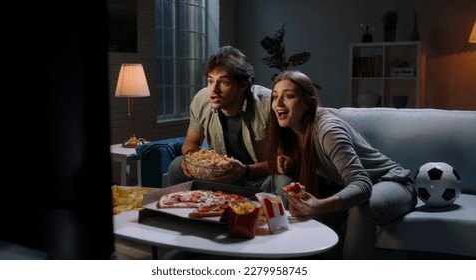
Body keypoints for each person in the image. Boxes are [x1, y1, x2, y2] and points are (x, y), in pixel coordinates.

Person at [267, 70, 417, 259]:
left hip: (393, 183)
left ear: (309, 102)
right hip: (351, 187)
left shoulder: (328, 130)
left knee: (363, 206)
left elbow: (362, 185)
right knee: (283, 181)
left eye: (288, 96)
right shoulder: (291, 130)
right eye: (274, 97)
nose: (278, 103)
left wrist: (319, 206)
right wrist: (293, 164)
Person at [167, 46, 292, 191]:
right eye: (210, 81)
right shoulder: (202, 100)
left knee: (285, 182)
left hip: (261, 178)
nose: (214, 90)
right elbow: (191, 143)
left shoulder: (268, 104)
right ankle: (183, 209)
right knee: (177, 166)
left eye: (224, 82)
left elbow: (283, 159)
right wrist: (191, 161)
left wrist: (246, 170)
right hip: (222, 176)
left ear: (243, 85)